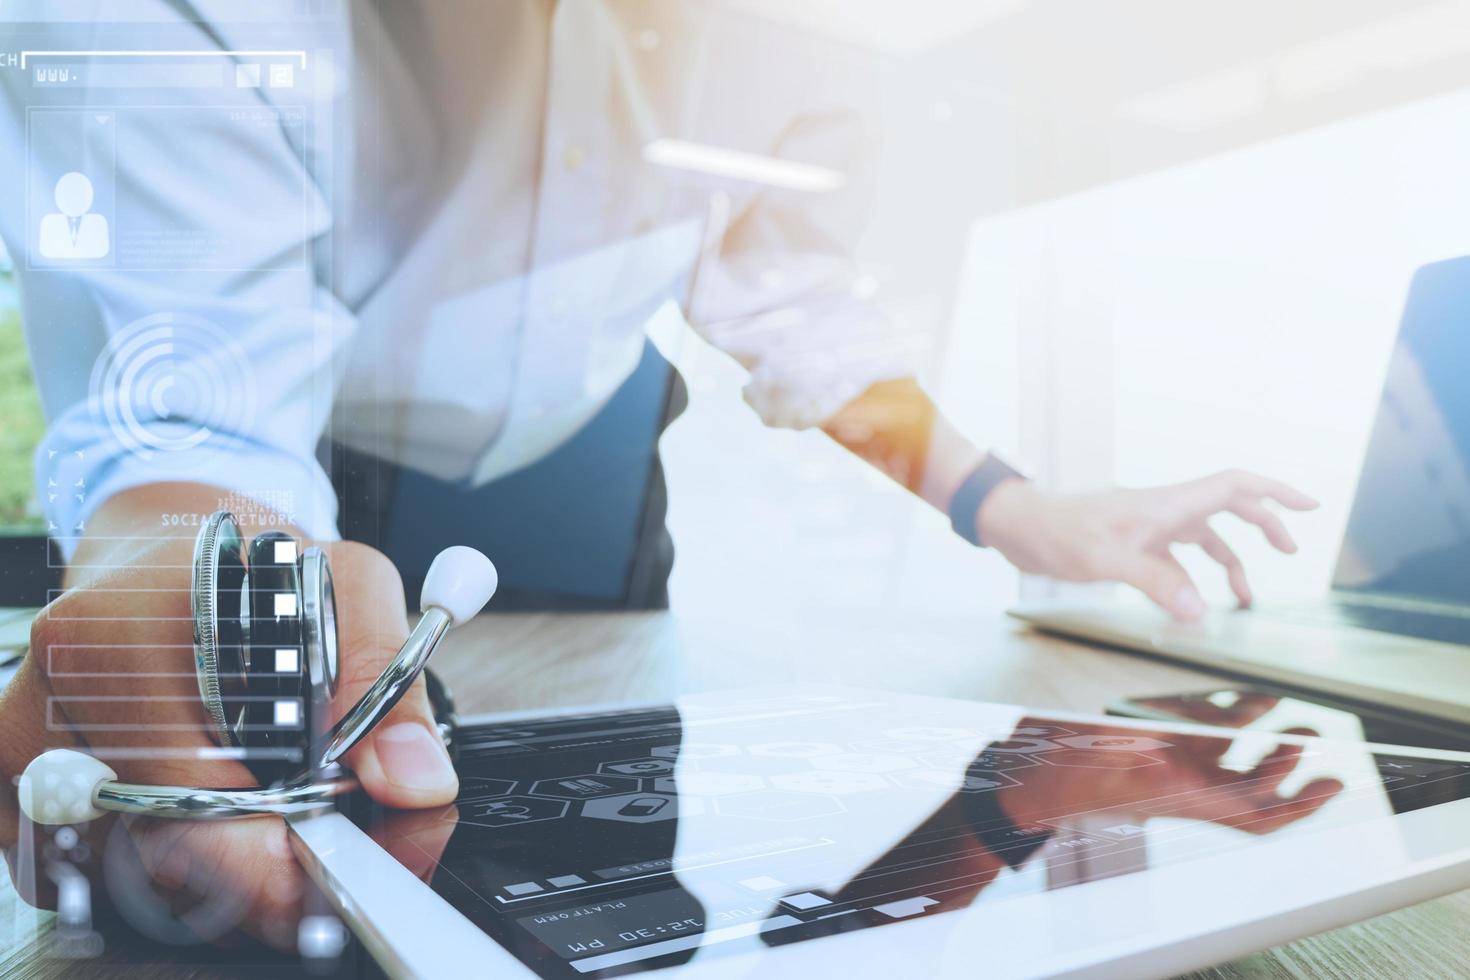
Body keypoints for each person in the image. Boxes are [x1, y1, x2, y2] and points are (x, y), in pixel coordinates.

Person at [0, 1, 1316, 949]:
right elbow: (196, 386)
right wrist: (185, 537)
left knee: (602, 876)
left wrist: (1011, 507)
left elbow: (794, 300)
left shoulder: (797, 36)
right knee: (330, 824)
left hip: (588, 459)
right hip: (320, 454)